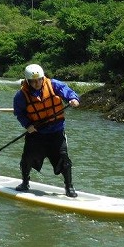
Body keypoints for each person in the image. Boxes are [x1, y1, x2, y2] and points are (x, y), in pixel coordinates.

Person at [12, 63, 80, 197]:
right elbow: (19, 113)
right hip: (36, 133)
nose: (37, 83)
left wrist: (73, 99)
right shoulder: (21, 95)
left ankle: (69, 187)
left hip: (56, 132)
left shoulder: (54, 85)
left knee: (64, 159)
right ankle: (25, 182)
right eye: (33, 81)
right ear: (27, 81)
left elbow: (69, 92)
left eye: (39, 80)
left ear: (43, 78)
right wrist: (27, 125)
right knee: (27, 159)